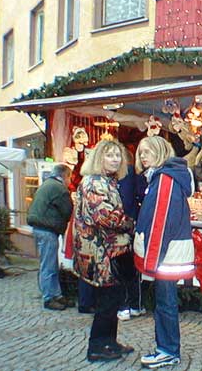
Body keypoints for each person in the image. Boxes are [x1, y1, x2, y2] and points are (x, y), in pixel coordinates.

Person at [134, 136, 196, 369]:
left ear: (160, 152)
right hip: (168, 253)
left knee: (165, 302)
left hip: (165, 255)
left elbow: (160, 223)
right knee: (165, 302)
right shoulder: (164, 178)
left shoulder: (164, 180)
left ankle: (168, 350)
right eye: (141, 152)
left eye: (147, 151)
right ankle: (167, 348)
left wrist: (152, 258)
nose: (143, 156)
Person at [73, 140, 135, 362]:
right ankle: (97, 347)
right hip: (101, 253)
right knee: (107, 301)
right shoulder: (95, 183)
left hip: (109, 251)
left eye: (118, 155)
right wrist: (129, 223)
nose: (115, 159)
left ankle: (109, 342)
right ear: (99, 158)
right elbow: (103, 216)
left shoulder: (108, 181)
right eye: (110, 155)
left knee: (114, 298)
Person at [27, 164, 73, 311]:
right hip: (47, 230)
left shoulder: (47, 184)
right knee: (49, 265)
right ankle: (49, 298)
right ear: (65, 176)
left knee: (47, 263)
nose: (70, 182)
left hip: (39, 228)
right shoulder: (59, 189)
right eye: (70, 178)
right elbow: (68, 210)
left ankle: (56, 294)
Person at [116, 149, 145, 321]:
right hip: (130, 226)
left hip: (119, 229)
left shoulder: (109, 177)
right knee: (132, 269)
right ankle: (134, 305)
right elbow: (142, 195)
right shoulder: (135, 174)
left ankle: (125, 306)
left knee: (120, 269)